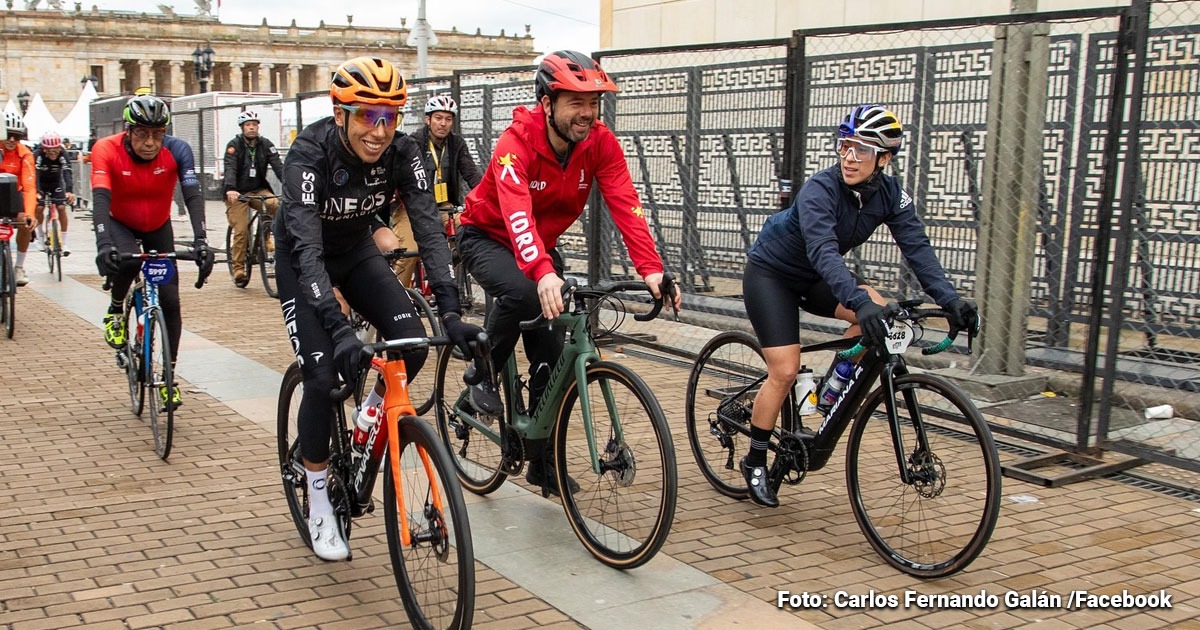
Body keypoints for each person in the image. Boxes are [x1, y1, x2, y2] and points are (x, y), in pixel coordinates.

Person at [275, 56, 484, 562]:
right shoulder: (310, 154)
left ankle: (370, 414)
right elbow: (306, 250)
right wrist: (338, 328)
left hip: (357, 251)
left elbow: (429, 228)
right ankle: (320, 499)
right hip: (304, 259)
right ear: (340, 113)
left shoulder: (405, 151)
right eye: (368, 116)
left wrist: (451, 309)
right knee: (324, 381)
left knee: (410, 348)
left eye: (390, 117)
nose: (380, 130)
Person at [457, 50, 680, 496]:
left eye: (594, 102)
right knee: (522, 293)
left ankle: (543, 464)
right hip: (486, 235)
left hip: (540, 246)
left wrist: (652, 269)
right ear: (546, 103)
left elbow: (626, 204)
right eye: (576, 102)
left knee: (552, 354)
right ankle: (480, 375)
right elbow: (516, 216)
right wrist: (541, 272)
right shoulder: (514, 145)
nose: (588, 112)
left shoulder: (599, 142)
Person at [740, 104, 979, 508]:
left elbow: (917, 248)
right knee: (784, 369)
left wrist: (949, 299)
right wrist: (855, 301)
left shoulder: (890, 195)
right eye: (845, 146)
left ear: (884, 158)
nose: (849, 157)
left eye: (861, 150)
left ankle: (826, 396)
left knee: (881, 311)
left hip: (818, 277)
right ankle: (756, 458)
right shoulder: (821, 187)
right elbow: (822, 248)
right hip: (772, 275)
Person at [91, 94, 214, 411]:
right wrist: (104, 244)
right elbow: (101, 200)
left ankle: (169, 378)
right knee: (128, 262)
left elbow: (192, 194)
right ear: (128, 131)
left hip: (158, 225)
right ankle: (116, 310)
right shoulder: (107, 150)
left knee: (171, 301)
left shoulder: (178, 150)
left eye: (157, 134)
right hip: (120, 223)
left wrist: (202, 241)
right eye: (143, 133)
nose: (150, 142)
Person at [389, 94, 482, 285]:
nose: (443, 124)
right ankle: (399, 295)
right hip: (411, 207)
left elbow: (472, 174)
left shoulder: (457, 144)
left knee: (471, 228)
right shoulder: (413, 142)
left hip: (442, 206)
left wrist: (488, 195)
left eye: (448, 119)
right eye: (438, 118)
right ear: (427, 120)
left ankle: (446, 279)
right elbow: (397, 174)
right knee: (409, 250)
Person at [223, 109, 284, 287]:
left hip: (258, 189)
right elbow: (230, 168)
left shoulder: (266, 145)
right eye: (248, 125)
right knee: (241, 230)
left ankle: (265, 236)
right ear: (242, 128)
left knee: (274, 204)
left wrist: (290, 185)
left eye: (254, 125)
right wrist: (231, 188)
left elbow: (279, 167)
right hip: (238, 193)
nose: (252, 128)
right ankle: (239, 268)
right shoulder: (234, 145)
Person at [1, 111, 38, 287]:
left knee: (25, 220)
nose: (12, 140)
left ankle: (19, 267)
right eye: (8, 135)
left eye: (16, 136)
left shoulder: (25, 154)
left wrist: (29, 214)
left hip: (15, 197)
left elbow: (29, 187)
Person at [33, 131, 76, 255]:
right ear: (44, 149)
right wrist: (36, 191)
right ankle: (40, 237)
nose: (53, 152)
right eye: (49, 150)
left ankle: (65, 242)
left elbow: (67, 172)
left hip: (55, 184)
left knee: (61, 207)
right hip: (41, 183)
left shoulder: (63, 154)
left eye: (55, 149)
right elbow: (34, 174)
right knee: (39, 207)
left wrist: (69, 191)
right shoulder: (38, 154)